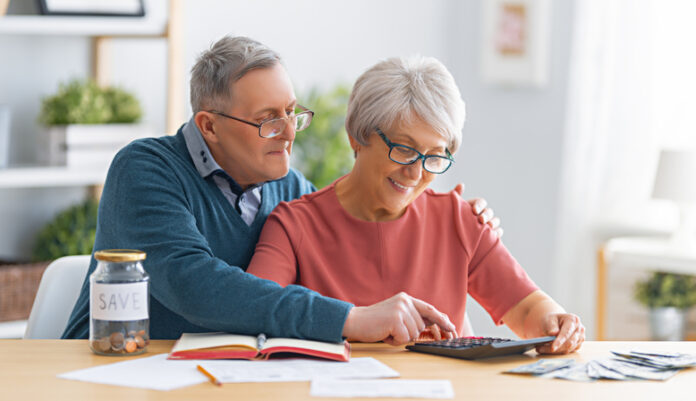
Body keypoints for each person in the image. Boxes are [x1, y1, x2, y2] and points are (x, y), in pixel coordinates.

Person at [62, 36, 497, 345]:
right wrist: (350, 318)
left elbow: (352, 240)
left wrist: (447, 217)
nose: (289, 132)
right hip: (113, 370)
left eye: (292, 112)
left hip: (228, 379)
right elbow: (194, 285)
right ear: (209, 126)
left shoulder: (290, 189)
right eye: (269, 118)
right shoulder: (146, 170)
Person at [247, 56, 585, 353]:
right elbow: (255, 311)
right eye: (405, 149)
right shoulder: (293, 225)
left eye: (435, 156)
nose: (416, 172)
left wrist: (556, 323)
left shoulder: (459, 219)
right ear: (357, 136)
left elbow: (527, 310)